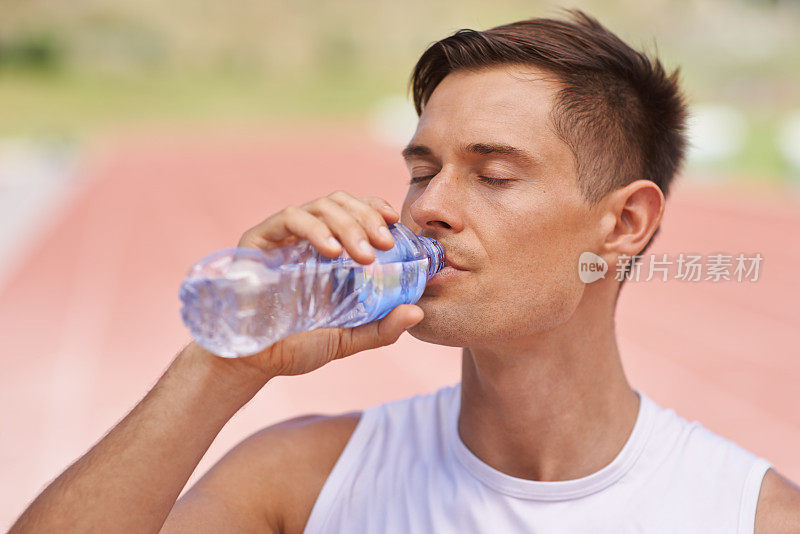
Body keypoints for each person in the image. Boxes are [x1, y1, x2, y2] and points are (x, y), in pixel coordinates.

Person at [10, 9, 800, 534]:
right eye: (423, 171)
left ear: (625, 223)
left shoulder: (746, 514)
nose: (428, 209)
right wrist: (221, 363)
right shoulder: (304, 480)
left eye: (492, 176)